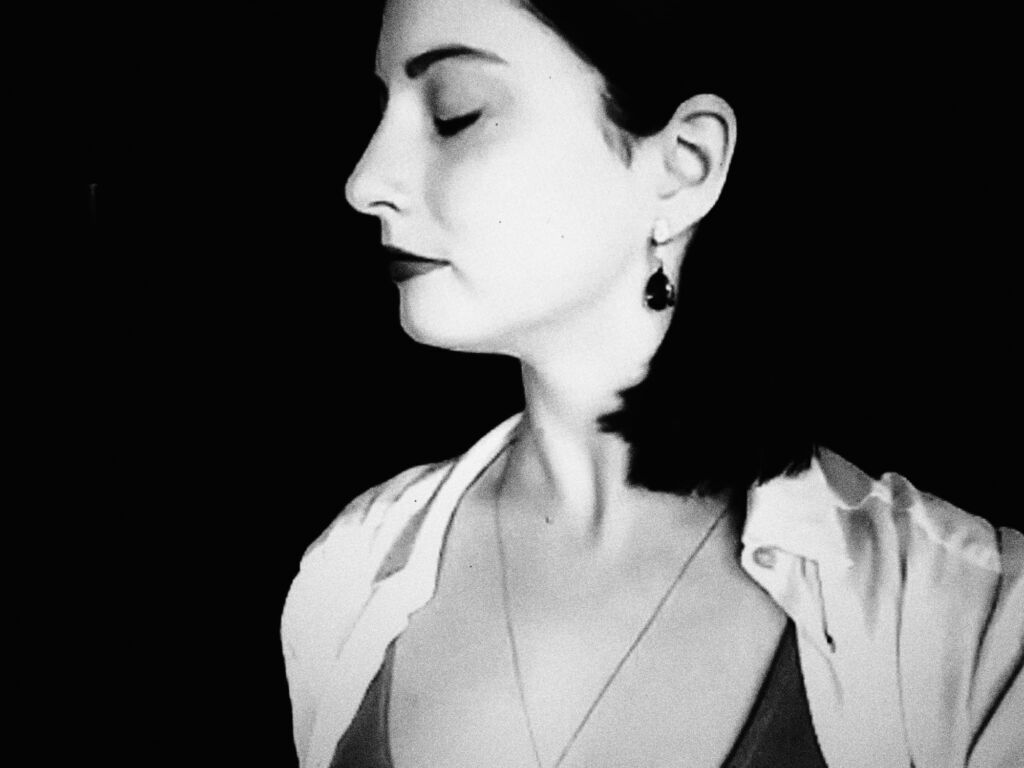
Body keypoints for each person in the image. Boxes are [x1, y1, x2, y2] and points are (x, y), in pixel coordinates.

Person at [281, 1, 1023, 766]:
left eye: (454, 115)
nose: (364, 181)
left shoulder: (975, 623)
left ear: (684, 164)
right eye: (381, 112)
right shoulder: (349, 572)